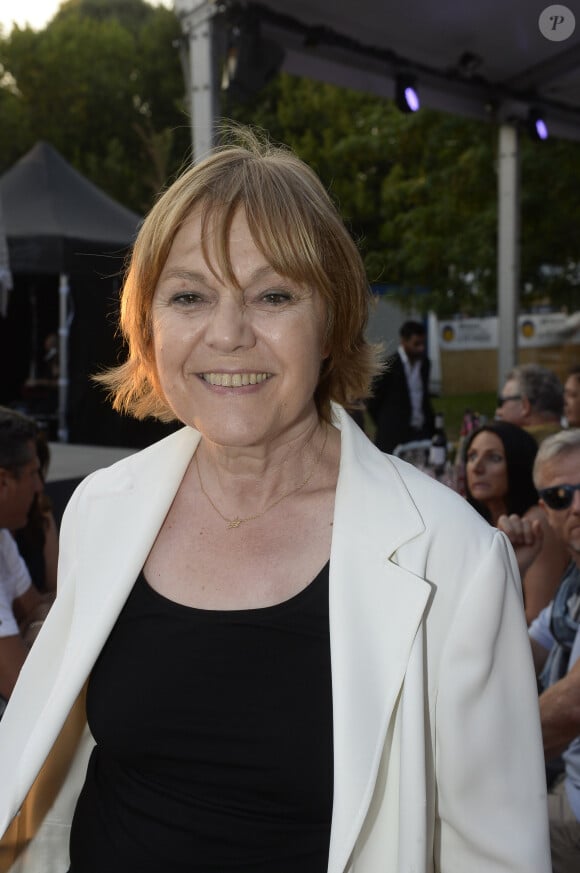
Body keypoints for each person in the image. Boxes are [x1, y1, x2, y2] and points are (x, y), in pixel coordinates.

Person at [0, 129, 550, 873]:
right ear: (149, 322)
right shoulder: (104, 506)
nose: (229, 334)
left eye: (274, 295)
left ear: (331, 323)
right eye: (190, 295)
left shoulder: (453, 556)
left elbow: (493, 854)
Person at [498, 428, 580, 873]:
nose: (579, 506)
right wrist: (510, 572)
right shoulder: (572, 587)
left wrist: (472, 753)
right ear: (545, 509)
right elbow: (519, 655)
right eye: (562, 495)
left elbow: (570, 708)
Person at [464, 420, 569, 623]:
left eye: (494, 458)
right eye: (472, 456)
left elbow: (535, 616)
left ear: (518, 465)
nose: (477, 467)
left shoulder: (535, 523)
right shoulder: (478, 520)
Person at [0, 408, 52, 710]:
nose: (39, 487)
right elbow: (22, 688)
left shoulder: (3, 535)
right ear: (4, 482)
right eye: (34, 474)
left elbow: (37, 609)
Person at [367, 319, 435, 453]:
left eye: (422, 343)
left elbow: (423, 396)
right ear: (403, 341)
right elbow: (372, 400)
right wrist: (386, 423)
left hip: (421, 430)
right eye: (416, 344)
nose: (421, 348)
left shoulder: (425, 364)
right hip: (395, 434)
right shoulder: (389, 366)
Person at [496, 363, 564, 444]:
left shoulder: (514, 449)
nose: (498, 412)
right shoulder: (573, 443)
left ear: (525, 406)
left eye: (501, 402)